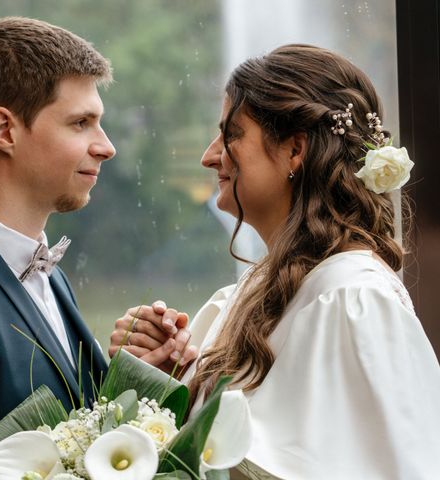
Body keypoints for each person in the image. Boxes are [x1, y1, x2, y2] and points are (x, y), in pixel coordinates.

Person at [0, 16, 191, 480]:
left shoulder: (47, 272)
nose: (106, 147)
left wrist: (135, 379)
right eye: (81, 123)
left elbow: (75, 437)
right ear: (4, 131)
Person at [111, 44, 440, 478]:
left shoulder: (353, 297)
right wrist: (163, 380)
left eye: (231, 135)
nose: (210, 156)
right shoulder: (251, 290)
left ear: (294, 151)